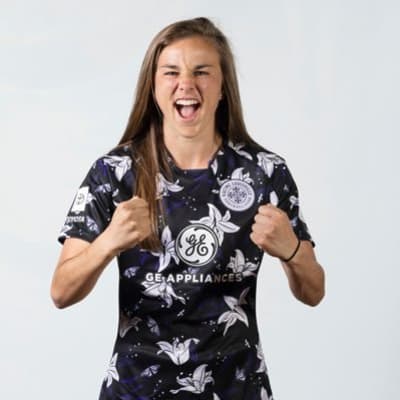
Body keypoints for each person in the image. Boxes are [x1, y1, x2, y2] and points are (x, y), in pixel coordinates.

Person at [51, 16, 325, 400]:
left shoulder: (265, 172)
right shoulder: (114, 173)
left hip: (237, 387)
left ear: (223, 86)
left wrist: (292, 250)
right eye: (171, 72)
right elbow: (61, 292)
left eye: (201, 71)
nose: (186, 84)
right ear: (153, 86)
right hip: (136, 387)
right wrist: (108, 242)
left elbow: (314, 291)